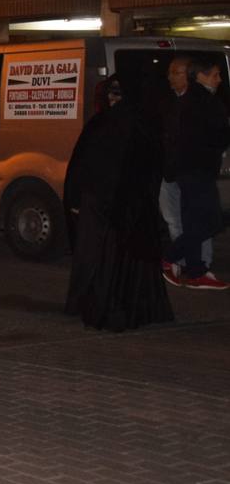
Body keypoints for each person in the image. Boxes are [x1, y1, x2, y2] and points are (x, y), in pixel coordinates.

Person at [63, 75, 173, 330]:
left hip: (108, 205)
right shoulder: (144, 124)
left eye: (118, 93)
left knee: (101, 257)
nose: (113, 99)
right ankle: (127, 306)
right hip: (125, 205)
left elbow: (84, 166)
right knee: (121, 259)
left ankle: (100, 304)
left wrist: (77, 198)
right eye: (111, 93)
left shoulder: (107, 124)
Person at [164, 58, 230, 290]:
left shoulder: (189, 100)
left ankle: (195, 270)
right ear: (200, 76)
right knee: (211, 222)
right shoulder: (204, 101)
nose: (219, 80)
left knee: (193, 223)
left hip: (187, 171)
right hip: (198, 171)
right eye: (215, 75)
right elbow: (219, 136)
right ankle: (169, 257)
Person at [157, 56, 212, 279]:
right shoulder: (166, 102)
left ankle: (200, 264)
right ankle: (180, 263)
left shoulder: (197, 103)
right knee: (174, 219)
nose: (170, 77)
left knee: (200, 221)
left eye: (176, 72)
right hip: (169, 172)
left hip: (190, 172)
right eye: (170, 72)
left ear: (189, 75)